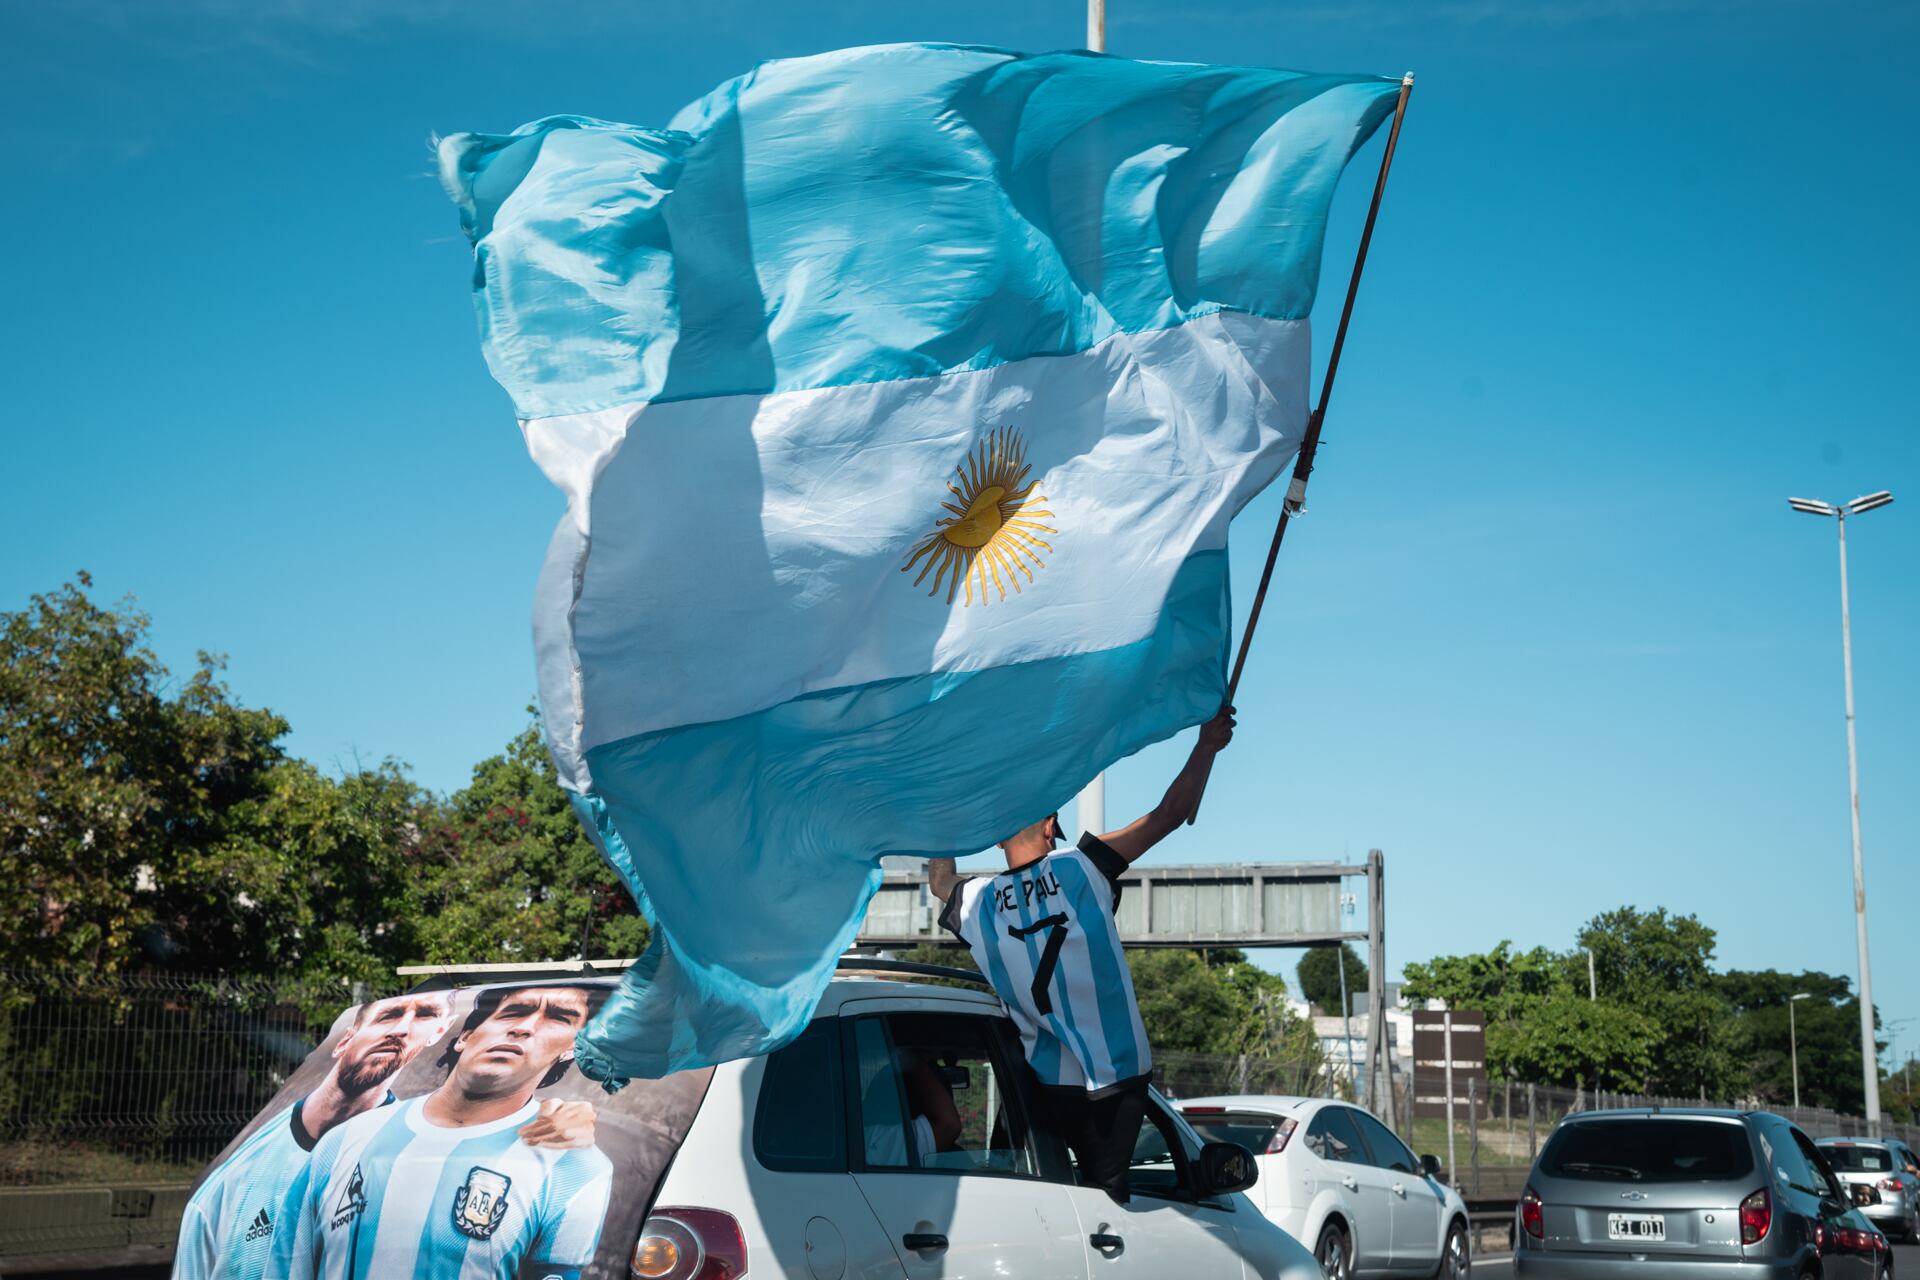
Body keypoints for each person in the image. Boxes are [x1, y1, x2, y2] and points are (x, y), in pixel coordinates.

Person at [929, 707, 1235, 1203]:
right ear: (1052, 826)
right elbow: (1167, 816)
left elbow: (940, 882)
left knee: (1026, 1196)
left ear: (998, 834)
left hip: (1043, 1078)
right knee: (1105, 1207)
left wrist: (939, 807)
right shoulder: (1082, 868)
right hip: (1115, 1075)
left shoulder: (978, 901)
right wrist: (1205, 746)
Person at [176, 990, 595, 1280]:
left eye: (425, 1016)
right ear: (345, 1040)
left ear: (434, 1036)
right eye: (390, 1015)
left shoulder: (568, 1164)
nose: (402, 1029)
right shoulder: (237, 1179)